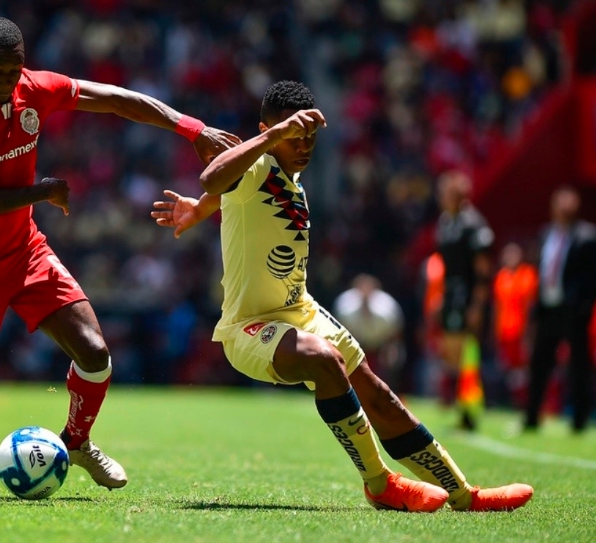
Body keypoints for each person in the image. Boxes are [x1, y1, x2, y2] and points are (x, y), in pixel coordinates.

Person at [0, 16, 240, 498]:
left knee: (96, 354)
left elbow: (117, 99)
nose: (5, 82)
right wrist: (43, 190)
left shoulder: (33, 89)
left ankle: (76, 442)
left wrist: (192, 128)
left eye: (12, 71)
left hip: (24, 253)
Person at [151, 80, 532, 512]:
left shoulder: (291, 183)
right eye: (295, 133)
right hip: (250, 326)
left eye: (310, 135)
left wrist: (200, 208)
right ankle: (379, 483)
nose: (304, 144)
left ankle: (466, 496)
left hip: (300, 311)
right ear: (267, 129)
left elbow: (222, 194)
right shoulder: (256, 164)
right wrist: (270, 140)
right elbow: (213, 175)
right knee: (323, 360)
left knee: (379, 395)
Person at [524, 186, 596, 434]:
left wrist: (583, 305)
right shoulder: (546, 234)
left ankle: (579, 420)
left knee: (578, 365)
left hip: (573, 311)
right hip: (548, 308)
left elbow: (590, 277)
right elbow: (542, 272)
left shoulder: (587, 236)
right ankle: (531, 417)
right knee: (539, 363)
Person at [434, 171, 495, 431]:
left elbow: (483, 271)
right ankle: (462, 407)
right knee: (452, 353)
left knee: (467, 354)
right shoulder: (447, 222)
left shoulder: (474, 225)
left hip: (467, 297)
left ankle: (471, 411)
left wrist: (477, 306)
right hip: (451, 294)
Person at [332, 274, 405, 392]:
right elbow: (337, 334)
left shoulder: (387, 310)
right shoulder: (345, 309)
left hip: (381, 344)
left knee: (395, 357)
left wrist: (391, 351)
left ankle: (390, 392)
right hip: (353, 342)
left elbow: (395, 334)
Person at [492, 242, 538, 409]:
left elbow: (530, 306)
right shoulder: (501, 277)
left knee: (523, 369)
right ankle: (515, 402)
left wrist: (529, 332)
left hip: (521, 331)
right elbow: (497, 307)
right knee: (509, 369)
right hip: (504, 331)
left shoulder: (527, 275)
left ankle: (525, 403)